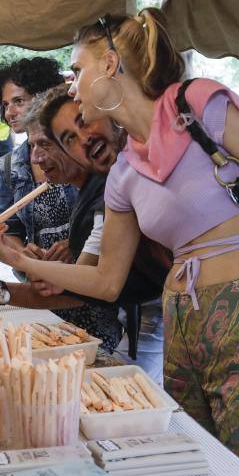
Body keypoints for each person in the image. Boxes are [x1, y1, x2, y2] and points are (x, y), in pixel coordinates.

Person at [0, 10, 239, 476]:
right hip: (183, 328)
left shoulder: (195, 103)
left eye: (77, 71)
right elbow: (106, 281)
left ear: (111, 64)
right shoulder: (124, 173)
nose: (73, 86)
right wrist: (25, 262)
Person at [39, 84, 166, 383]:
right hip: (177, 312)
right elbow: (101, 279)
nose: (36, 158)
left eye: (84, 120)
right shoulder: (117, 181)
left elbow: (102, 284)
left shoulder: (163, 148)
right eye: (69, 138)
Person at [0, 58, 76, 270]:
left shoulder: (79, 152)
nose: (9, 112)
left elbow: (107, 217)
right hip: (41, 282)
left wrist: (79, 244)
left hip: (90, 276)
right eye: (6, 104)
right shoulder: (9, 166)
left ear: (45, 98)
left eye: (19, 101)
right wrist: (24, 255)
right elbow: (10, 230)